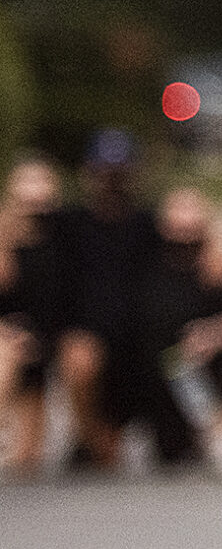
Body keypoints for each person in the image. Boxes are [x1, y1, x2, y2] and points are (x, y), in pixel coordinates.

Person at [54, 130, 189, 472]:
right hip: (95, 344)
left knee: (180, 450)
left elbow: (198, 244)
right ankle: (91, 439)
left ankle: (207, 431)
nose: (112, 182)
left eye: (119, 174)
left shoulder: (151, 224)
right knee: (79, 359)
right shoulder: (68, 224)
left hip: (145, 350)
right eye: (105, 173)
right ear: (90, 172)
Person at [145, 186, 222, 477]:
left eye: (192, 212)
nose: (185, 222)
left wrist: (210, 337)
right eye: (178, 212)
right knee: (172, 453)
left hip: (209, 361)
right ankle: (191, 432)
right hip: (165, 366)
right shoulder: (151, 268)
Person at [1, 156, 67, 476]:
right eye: (27, 182)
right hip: (11, 340)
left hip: (50, 337)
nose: (35, 191)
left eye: (42, 182)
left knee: (28, 459)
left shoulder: (65, 235)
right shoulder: (3, 239)